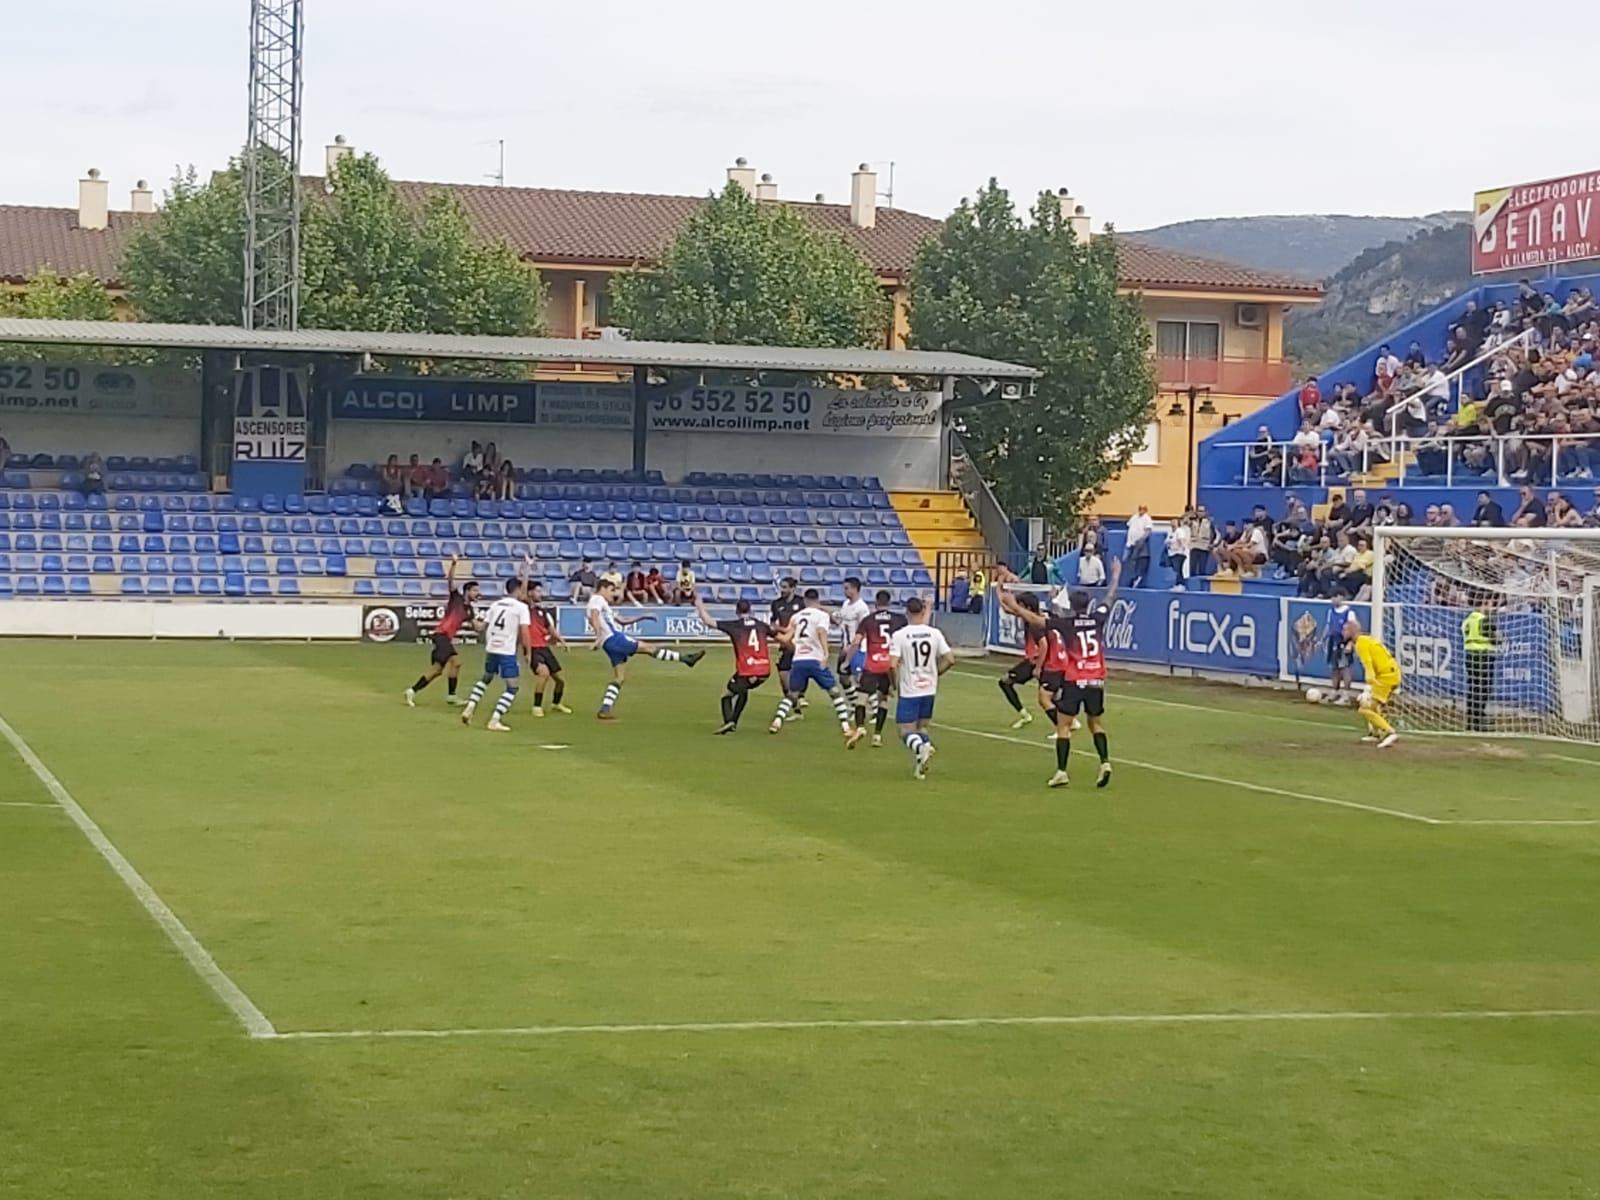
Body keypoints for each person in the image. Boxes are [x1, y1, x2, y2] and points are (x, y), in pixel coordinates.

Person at [1002, 559, 1121, 788]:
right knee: (1096, 723)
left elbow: (1037, 620)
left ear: (1072, 606)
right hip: (1096, 679)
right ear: (1088, 605)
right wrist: (1115, 575)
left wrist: (1015, 607)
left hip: (1075, 679)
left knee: (1063, 726)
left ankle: (1062, 771)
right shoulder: (1097, 619)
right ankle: (1105, 762)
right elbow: (1110, 597)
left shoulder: (1067, 624)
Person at [587, 578, 704, 719]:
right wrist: (598, 636)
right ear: (603, 588)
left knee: (619, 678)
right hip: (614, 638)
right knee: (648, 648)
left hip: (609, 643)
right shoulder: (597, 600)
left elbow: (622, 621)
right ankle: (685, 659)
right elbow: (594, 616)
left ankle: (605, 709)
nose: (614, 594)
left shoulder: (603, 604)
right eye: (612, 590)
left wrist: (643, 616)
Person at [766, 588, 863, 747]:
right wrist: (825, 653)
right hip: (815, 659)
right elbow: (821, 632)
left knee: (792, 694)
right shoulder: (822, 615)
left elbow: (785, 638)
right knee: (834, 692)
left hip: (799, 660)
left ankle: (777, 721)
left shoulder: (796, 616)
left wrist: (774, 634)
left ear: (805, 601)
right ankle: (846, 727)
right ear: (818, 601)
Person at [888, 598, 955, 780]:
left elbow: (892, 665)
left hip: (910, 689)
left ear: (907, 612)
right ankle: (920, 765)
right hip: (929, 688)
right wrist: (936, 673)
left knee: (905, 730)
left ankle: (920, 748)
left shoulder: (900, 635)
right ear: (922, 611)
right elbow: (950, 659)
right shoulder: (934, 633)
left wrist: (895, 685)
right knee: (922, 728)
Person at [692, 592, 776, 734]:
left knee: (727, 695)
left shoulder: (735, 626)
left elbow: (709, 622)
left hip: (747, 670)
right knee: (742, 690)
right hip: (765, 670)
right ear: (750, 610)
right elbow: (777, 634)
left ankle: (730, 722)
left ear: (736, 611)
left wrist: (700, 606)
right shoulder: (762, 625)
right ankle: (732, 722)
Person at [404, 556, 480, 707]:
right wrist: (453, 564)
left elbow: (478, 627)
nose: (478, 593)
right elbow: (450, 581)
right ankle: (451, 696)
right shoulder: (456, 598)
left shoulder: (470, 611)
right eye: (475, 590)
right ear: (467, 591)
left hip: (444, 638)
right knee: (456, 662)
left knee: (436, 670)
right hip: (441, 635)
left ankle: (411, 691)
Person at [459, 578, 532, 733]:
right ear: (518, 590)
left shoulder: (495, 605)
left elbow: (481, 628)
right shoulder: (521, 608)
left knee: (486, 678)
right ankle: (495, 719)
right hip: (506, 649)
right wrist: (528, 652)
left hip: (492, 647)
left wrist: (469, 618)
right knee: (513, 687)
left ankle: (470, 706)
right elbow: (525, 632)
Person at [849, 589, 906, 746]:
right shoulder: (899, 620)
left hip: (872, 665)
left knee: (861, 699)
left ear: (876, 602)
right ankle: (877, 736)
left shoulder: (868, 620)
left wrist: (847, 660)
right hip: (889, 665)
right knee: (884, 700)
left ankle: (860, 727)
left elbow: (856, 641)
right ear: (889, 602)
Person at [1346, 617, 1402, 749]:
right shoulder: (1366, 640)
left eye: (1345, 629)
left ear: (1352, 631)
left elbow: (1368, 663)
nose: (1343, 632)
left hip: (1386, 676)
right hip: (1391, 673)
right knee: (1372, 706)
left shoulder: (1360, 643)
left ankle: (1390, 732)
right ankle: (1375, 734)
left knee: (1364, 708)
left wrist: (1370, 681)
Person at [996, 590, 1046, 728]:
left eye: (1020, 605)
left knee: (1048, 695)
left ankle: (1066, 723)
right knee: (1052, 694)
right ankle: (1069, 721)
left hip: (1036, 661)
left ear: (1028, 607)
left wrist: (1038, 666)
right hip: (1036, 660)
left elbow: (1044, 645)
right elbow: (1008, 610)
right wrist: (999, 596)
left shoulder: (1034, 623)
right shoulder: (1038, 617)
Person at [525, 580, 571, 717]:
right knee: (543, 674)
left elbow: (550, 629)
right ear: (530, 593)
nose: (541, 594)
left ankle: (556, 704)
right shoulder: (524, 609)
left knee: (560, 680)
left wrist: (562, 641)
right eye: (538, 591)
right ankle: (536, 706)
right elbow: (522, 593)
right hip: (532, 648)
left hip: (544, 648)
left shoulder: (541, 611)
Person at [835, 576, 871, 721]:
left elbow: (865, 629)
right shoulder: (845, 604)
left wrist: (854, 645)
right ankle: (856, 704)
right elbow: (842, 622)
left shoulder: (862, 608)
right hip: (845, 646)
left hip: (858, 648)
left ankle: (872, 709)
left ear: (855, 589)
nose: (844, 591)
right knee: (843, 678)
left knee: (859, 679)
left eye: (847, 588)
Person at [1462, 595, 1498, 734]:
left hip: (1470, 656)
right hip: (1483, 657)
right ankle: (1479, 719)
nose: (1491, 608)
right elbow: (1495, 639)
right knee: (1483, 690)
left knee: (1473, 688)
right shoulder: (1484, 620)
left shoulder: (1467, 621)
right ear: (1482, 604)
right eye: (1489, 604)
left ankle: (1471, 719)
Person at [769, 576, 804, 702]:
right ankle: (791, 699)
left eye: (785, 587)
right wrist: (780, 630)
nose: (782, 590)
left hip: (800, 643)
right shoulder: (776, 604)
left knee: (800, 669)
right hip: (785, 643)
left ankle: (799, 697)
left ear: (793, 588)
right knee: (783, 672)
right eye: (781, 587)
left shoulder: (801, 603)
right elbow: (773, 623)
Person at [1324, 591, 1355, 704]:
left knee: (1345, 668)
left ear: (1340, 597)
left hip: (1344, 641)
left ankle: (1346, 694)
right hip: (1333, 642)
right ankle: (1334, 691)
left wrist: (1350, 644)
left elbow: (1353, 630)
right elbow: (1328, 627)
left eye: (1334, 597)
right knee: (1334, 667)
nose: (1332, 600)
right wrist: (1322, 639)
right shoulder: (1330, 611)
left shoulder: (1349, 612)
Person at [1124, 504, 1153, 588]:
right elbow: (1128, 525)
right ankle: (1131, 578)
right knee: (1127, 561)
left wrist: (1141, 539)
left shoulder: (1147, 518)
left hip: (1139, 543)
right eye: (1140, 508)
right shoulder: (1134, 517)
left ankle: (1136, 579)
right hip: (1130, 543)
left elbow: (1148, 531)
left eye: (1143, 509)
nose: (1141, 510)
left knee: (1137, 561)